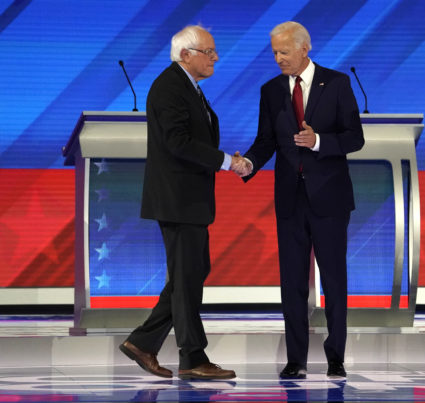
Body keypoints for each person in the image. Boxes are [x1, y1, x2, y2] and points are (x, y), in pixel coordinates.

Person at [236, 21, 364, 379]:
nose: (278, 58)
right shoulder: (271, 90)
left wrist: (319, 141)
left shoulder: (336, 84)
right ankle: (297, 360)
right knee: (291, 282)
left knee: (334, 280)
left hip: (330, 199)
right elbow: (266, 141)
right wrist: (248, 163)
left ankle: (336, 356)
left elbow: (354, 137)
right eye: (274, 52)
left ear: (305, 49)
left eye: (284, 52)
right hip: (290, 200)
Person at [119, 25, 242, 380]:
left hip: (189, 199)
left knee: (189, 276)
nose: (215, 57)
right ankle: (191, 356)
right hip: (177, 199)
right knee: (187, 278)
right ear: (185, 54)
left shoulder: (189, 87)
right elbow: (177, 143)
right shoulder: (170, 86)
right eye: (209, 51)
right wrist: (225, 161)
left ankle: (144, 343)